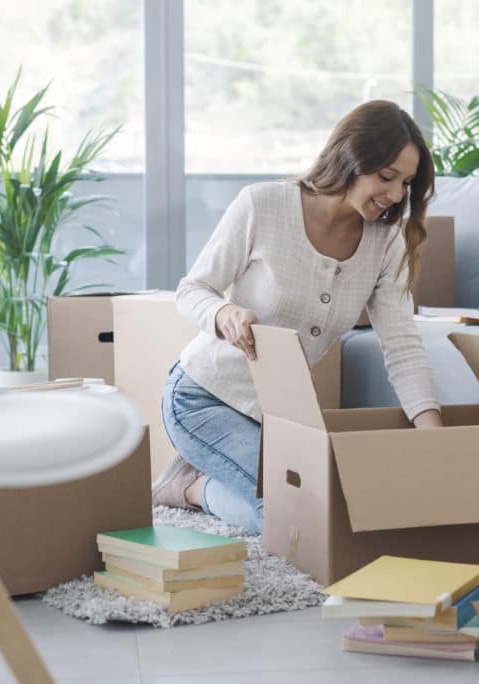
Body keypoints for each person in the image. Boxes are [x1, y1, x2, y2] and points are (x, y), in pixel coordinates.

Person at [154, 100, 442, 533]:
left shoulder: (386, 243)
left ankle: (199, 482)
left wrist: (437, 438)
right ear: (351, 157)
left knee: (321, 509)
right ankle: (189, 489)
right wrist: (223, 312)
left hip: (277, 417)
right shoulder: (262, 205)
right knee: (299, 515)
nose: (397, 195)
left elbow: (402, 346)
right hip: (199, 398)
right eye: (386, 177)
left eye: (406, 183)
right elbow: (192, 290)